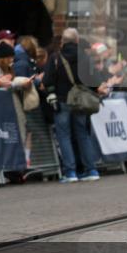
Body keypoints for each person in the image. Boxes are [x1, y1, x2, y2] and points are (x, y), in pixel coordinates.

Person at [42, 28, 102, 183]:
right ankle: (91, 170)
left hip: (62, 101)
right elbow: (95, 80)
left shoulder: (55, 57)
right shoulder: (85, 57)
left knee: (64, 136)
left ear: (63, 41)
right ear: (76, 40)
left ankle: (71, 173)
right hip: (80, 102)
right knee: (83, 135)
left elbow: (47, 80)